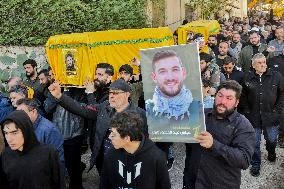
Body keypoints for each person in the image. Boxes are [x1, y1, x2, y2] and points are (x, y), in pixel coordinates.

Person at [48, 79, 148, 175]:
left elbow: (146, 143)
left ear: (127, 94)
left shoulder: (140, 114)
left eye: (116, 93)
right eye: (110, 93)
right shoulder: (104, 108)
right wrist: (59, 96)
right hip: (104, 159)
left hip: (126, 162)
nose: (111, 96)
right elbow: (81, 108)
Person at [183, 80, 255, 189]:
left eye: (229, 98)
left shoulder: (243, 125)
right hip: (193, 181)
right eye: (220, 96)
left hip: (220, 184)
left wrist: (214, 145)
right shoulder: (201, 115)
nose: (222, 101)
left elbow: (244, 160)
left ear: (236, 103)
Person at [100, 111, 171, 189]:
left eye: (114, 134)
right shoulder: (110, 155)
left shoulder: (156, 158)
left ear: (127, 138)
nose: (110, 137)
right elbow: (104, 184)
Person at [239, 53, 284, 177]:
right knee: (255, 142)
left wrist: (277, 109)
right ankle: (255, 164)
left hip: (271, 116)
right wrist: (247, 110)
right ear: (253, 65)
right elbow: (242, 96)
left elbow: (282, 94)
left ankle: (271, 151)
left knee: (272, 140)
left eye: (264, 62)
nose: (263, 64)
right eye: (259, 63)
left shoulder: (276, 76)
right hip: (253, 117)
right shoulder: (247, 77)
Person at [0, 110, 61, 189]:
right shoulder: (6, 154)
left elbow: (58, 183)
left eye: (14, 133)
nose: (9, 139)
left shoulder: (49, 153)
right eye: (6, 133)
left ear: (26, 130)